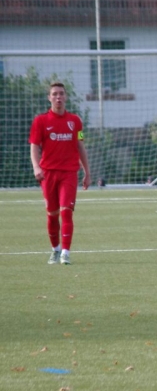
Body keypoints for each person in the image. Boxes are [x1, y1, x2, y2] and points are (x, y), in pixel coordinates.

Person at [29, 81, 91, 265]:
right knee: (52, 214)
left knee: (67, 212)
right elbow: (34, 146)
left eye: (61, 93)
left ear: (66, 97)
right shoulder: (40, 121)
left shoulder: (76, 121)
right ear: (49, 98)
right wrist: (36, 167)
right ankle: (55, 250)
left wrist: (87, 172)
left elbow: (80, 145)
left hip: (69, 173)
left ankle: (65, 252)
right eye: (55, 94)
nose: (58, 97)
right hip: (48, 174)